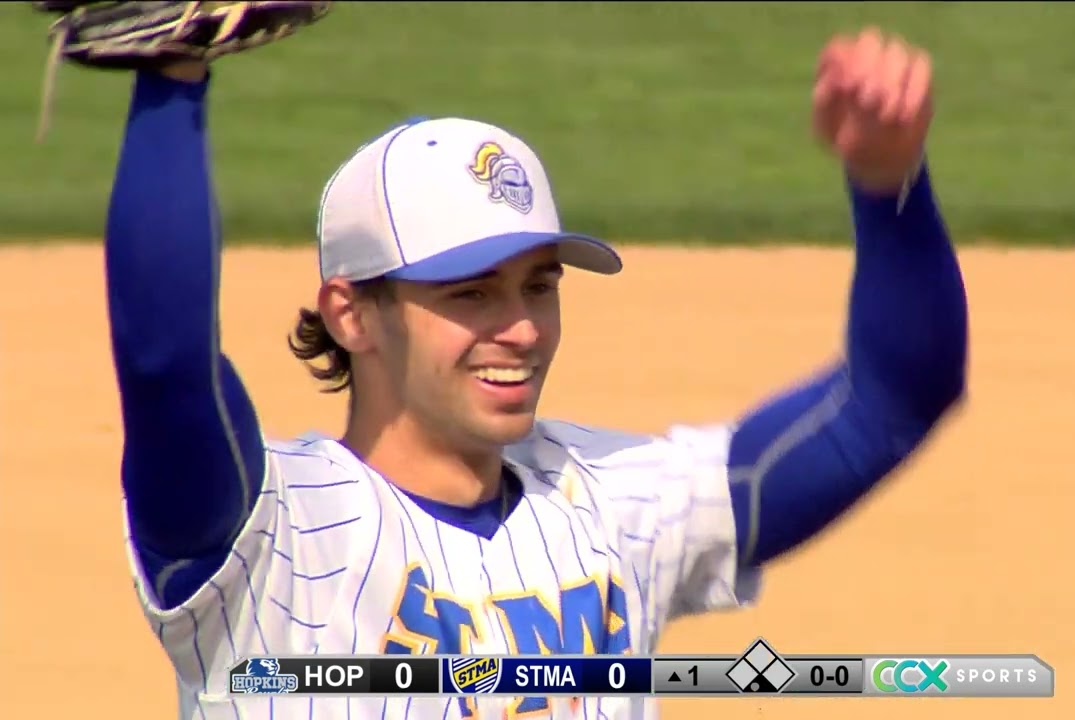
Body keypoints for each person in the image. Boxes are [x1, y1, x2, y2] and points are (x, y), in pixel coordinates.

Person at [108, 26, 968, 720]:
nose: (520, 328)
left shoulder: (610, 504)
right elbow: (166, 364)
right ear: (350, 314)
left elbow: (891, 401)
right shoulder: (272, 538)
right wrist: (173, 76)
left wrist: (888, 186)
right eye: (471, 293)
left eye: (539, 285)